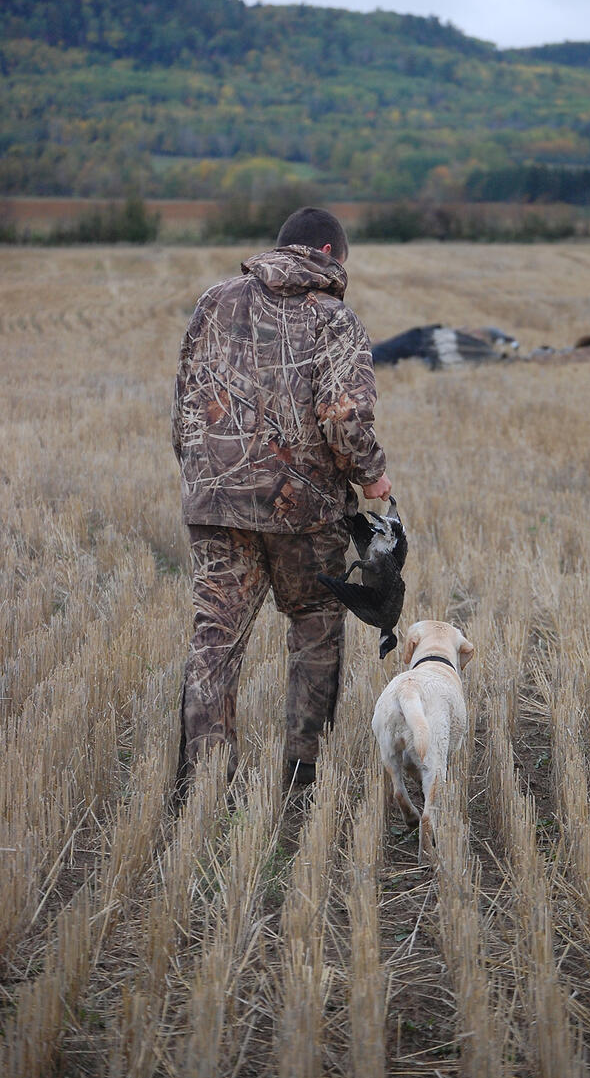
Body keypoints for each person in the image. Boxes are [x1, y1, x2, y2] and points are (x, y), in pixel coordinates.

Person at [171, 206, 391, 791]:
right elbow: (345, 417)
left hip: (215, 502)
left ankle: (204, 782)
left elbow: (187, 402)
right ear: (327, 253)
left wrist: (202, 476)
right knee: (316, 624)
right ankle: (301, 772)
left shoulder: (212, 303)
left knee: (214, 637)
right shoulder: (334, 318)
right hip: (305, 509)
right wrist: (372, 477)